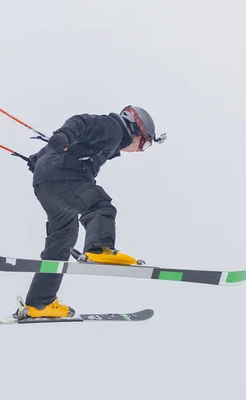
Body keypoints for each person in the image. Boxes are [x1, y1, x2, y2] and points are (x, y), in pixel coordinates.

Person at [22, 105, 166, 319]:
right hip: (65, 178)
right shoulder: (113, 127)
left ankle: (40, 303)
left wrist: (39, 158)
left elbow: (63, 145)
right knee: (100, 205)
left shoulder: (112, 140)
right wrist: (62, 134)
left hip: (45, 183)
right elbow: (80, 122)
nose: (139, 150)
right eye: (144, 143)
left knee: (63, 238)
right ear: (135, 128)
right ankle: (100, 248)